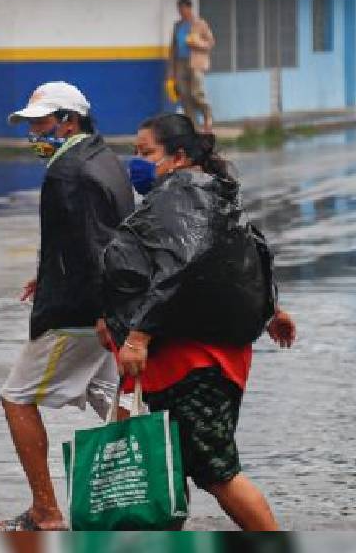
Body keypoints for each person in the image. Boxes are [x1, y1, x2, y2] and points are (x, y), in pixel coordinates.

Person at [103, 113, 296, 531]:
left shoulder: (181, 195)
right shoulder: (208, 191)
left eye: (146, 153)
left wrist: (137, 336)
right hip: (204, 353)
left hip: (193, 359)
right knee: (171, 461)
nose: (136, 162)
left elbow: (182, 267)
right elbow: (247, 248)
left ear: (178, 156)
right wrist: (272, 308)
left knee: (214, 469)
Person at [0, 81, 135, 531]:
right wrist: (48, 272)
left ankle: (46, 512)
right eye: (31, 124)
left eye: (41, 123)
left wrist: (99, 308)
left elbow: (94, 244)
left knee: (16, 399)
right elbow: (96, 234)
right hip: (102, 305)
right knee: (115, 401)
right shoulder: (103, 158)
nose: (33, 133)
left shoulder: (67, 172)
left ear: (69, 121)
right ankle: (141, 495)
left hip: (77, 313)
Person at [168, 0, 215, 132]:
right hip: (180, 63)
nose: (181, 12)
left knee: (196, 93)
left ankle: (207, 116)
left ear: (189, 8)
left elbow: (210, 42)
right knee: (184, 94)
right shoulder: (177, 25)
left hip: (196, 62)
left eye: (183, 9)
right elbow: (173, 48)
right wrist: (171, 71)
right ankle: (193, 126)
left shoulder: (200, 24)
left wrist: (197, 43)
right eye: (179, 9)